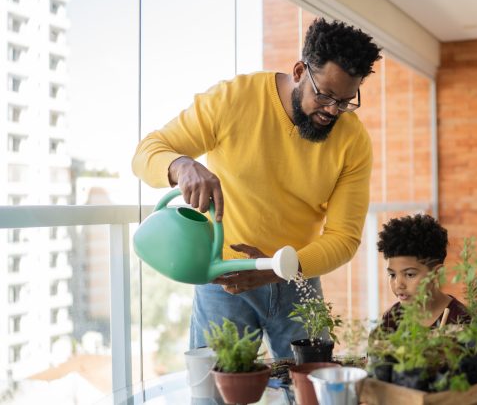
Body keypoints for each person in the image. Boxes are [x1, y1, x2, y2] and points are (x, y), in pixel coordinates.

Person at [132, 18, 382, 358]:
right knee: (213, 394)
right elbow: (146, 153)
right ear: (298, 71)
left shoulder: (353, 141)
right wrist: (181, 165)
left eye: (345, 101)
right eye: (324, 95)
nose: (332, 111)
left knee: (309, 391)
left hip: (296, 278)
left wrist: (278, 270)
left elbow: (345, 237)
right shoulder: (232, 100)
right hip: (224, 278)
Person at [376, 214, 470, 333]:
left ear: (436, 273)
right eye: (392, 275)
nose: (398, 284)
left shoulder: (461, 320)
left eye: (409, 274)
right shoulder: (391, 318)